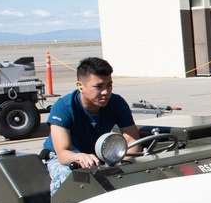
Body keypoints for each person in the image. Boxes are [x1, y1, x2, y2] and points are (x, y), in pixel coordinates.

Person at [42, 57, 141, 194]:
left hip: (100, 155)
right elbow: (63, 154)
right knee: (68, 181)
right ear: (80, 86)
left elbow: (132, 142)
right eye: (98, 86)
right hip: (67, 158)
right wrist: (81, 157)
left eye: (109, 85)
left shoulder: (116, 103)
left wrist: (122, 164)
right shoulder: (64, 107)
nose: (106, 92)